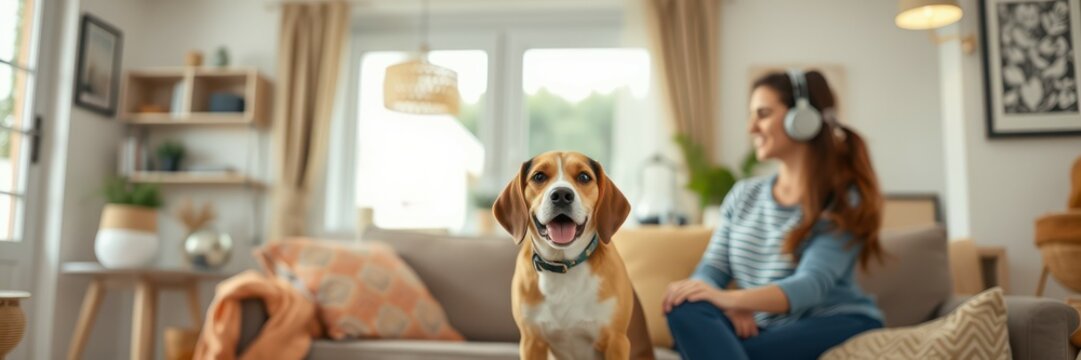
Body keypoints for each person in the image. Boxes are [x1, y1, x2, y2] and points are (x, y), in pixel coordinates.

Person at [662, 69, 885, 360]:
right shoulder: (743, 195)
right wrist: (720, 302)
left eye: (763, 114)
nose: (751, 127)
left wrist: (733, 299)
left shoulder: (842, 199)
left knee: (713, 348)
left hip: (831, 321)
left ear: (802, 119)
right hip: (765, 329)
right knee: (684, 304)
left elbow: (811, 286)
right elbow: (712, 271)